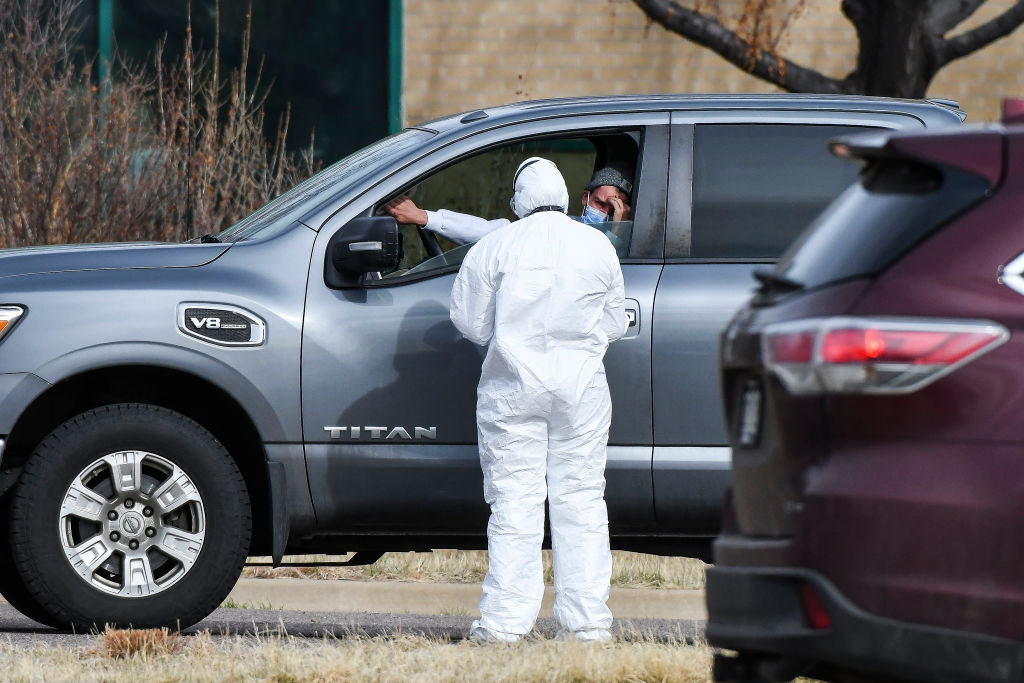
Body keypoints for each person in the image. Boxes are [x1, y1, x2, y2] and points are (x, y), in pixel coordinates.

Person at [449, 156, 628, 643]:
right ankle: (588, 626)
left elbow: (469, 322)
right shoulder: (597, 246)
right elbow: (614, 322)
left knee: (514, 506)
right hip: (581, 391)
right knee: (582, 503)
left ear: (518, 201)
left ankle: (504, 626)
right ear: (567, 196)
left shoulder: (496, 246)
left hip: (512, 391)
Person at [383, 164, 633, 245]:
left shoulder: (634, 243)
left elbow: (613, 269)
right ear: (584, 198)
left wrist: (620, 233)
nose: (606, 213)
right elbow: (486, 231)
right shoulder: (557, 229)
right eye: (601, 204)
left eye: (615, 210)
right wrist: (425, 217)